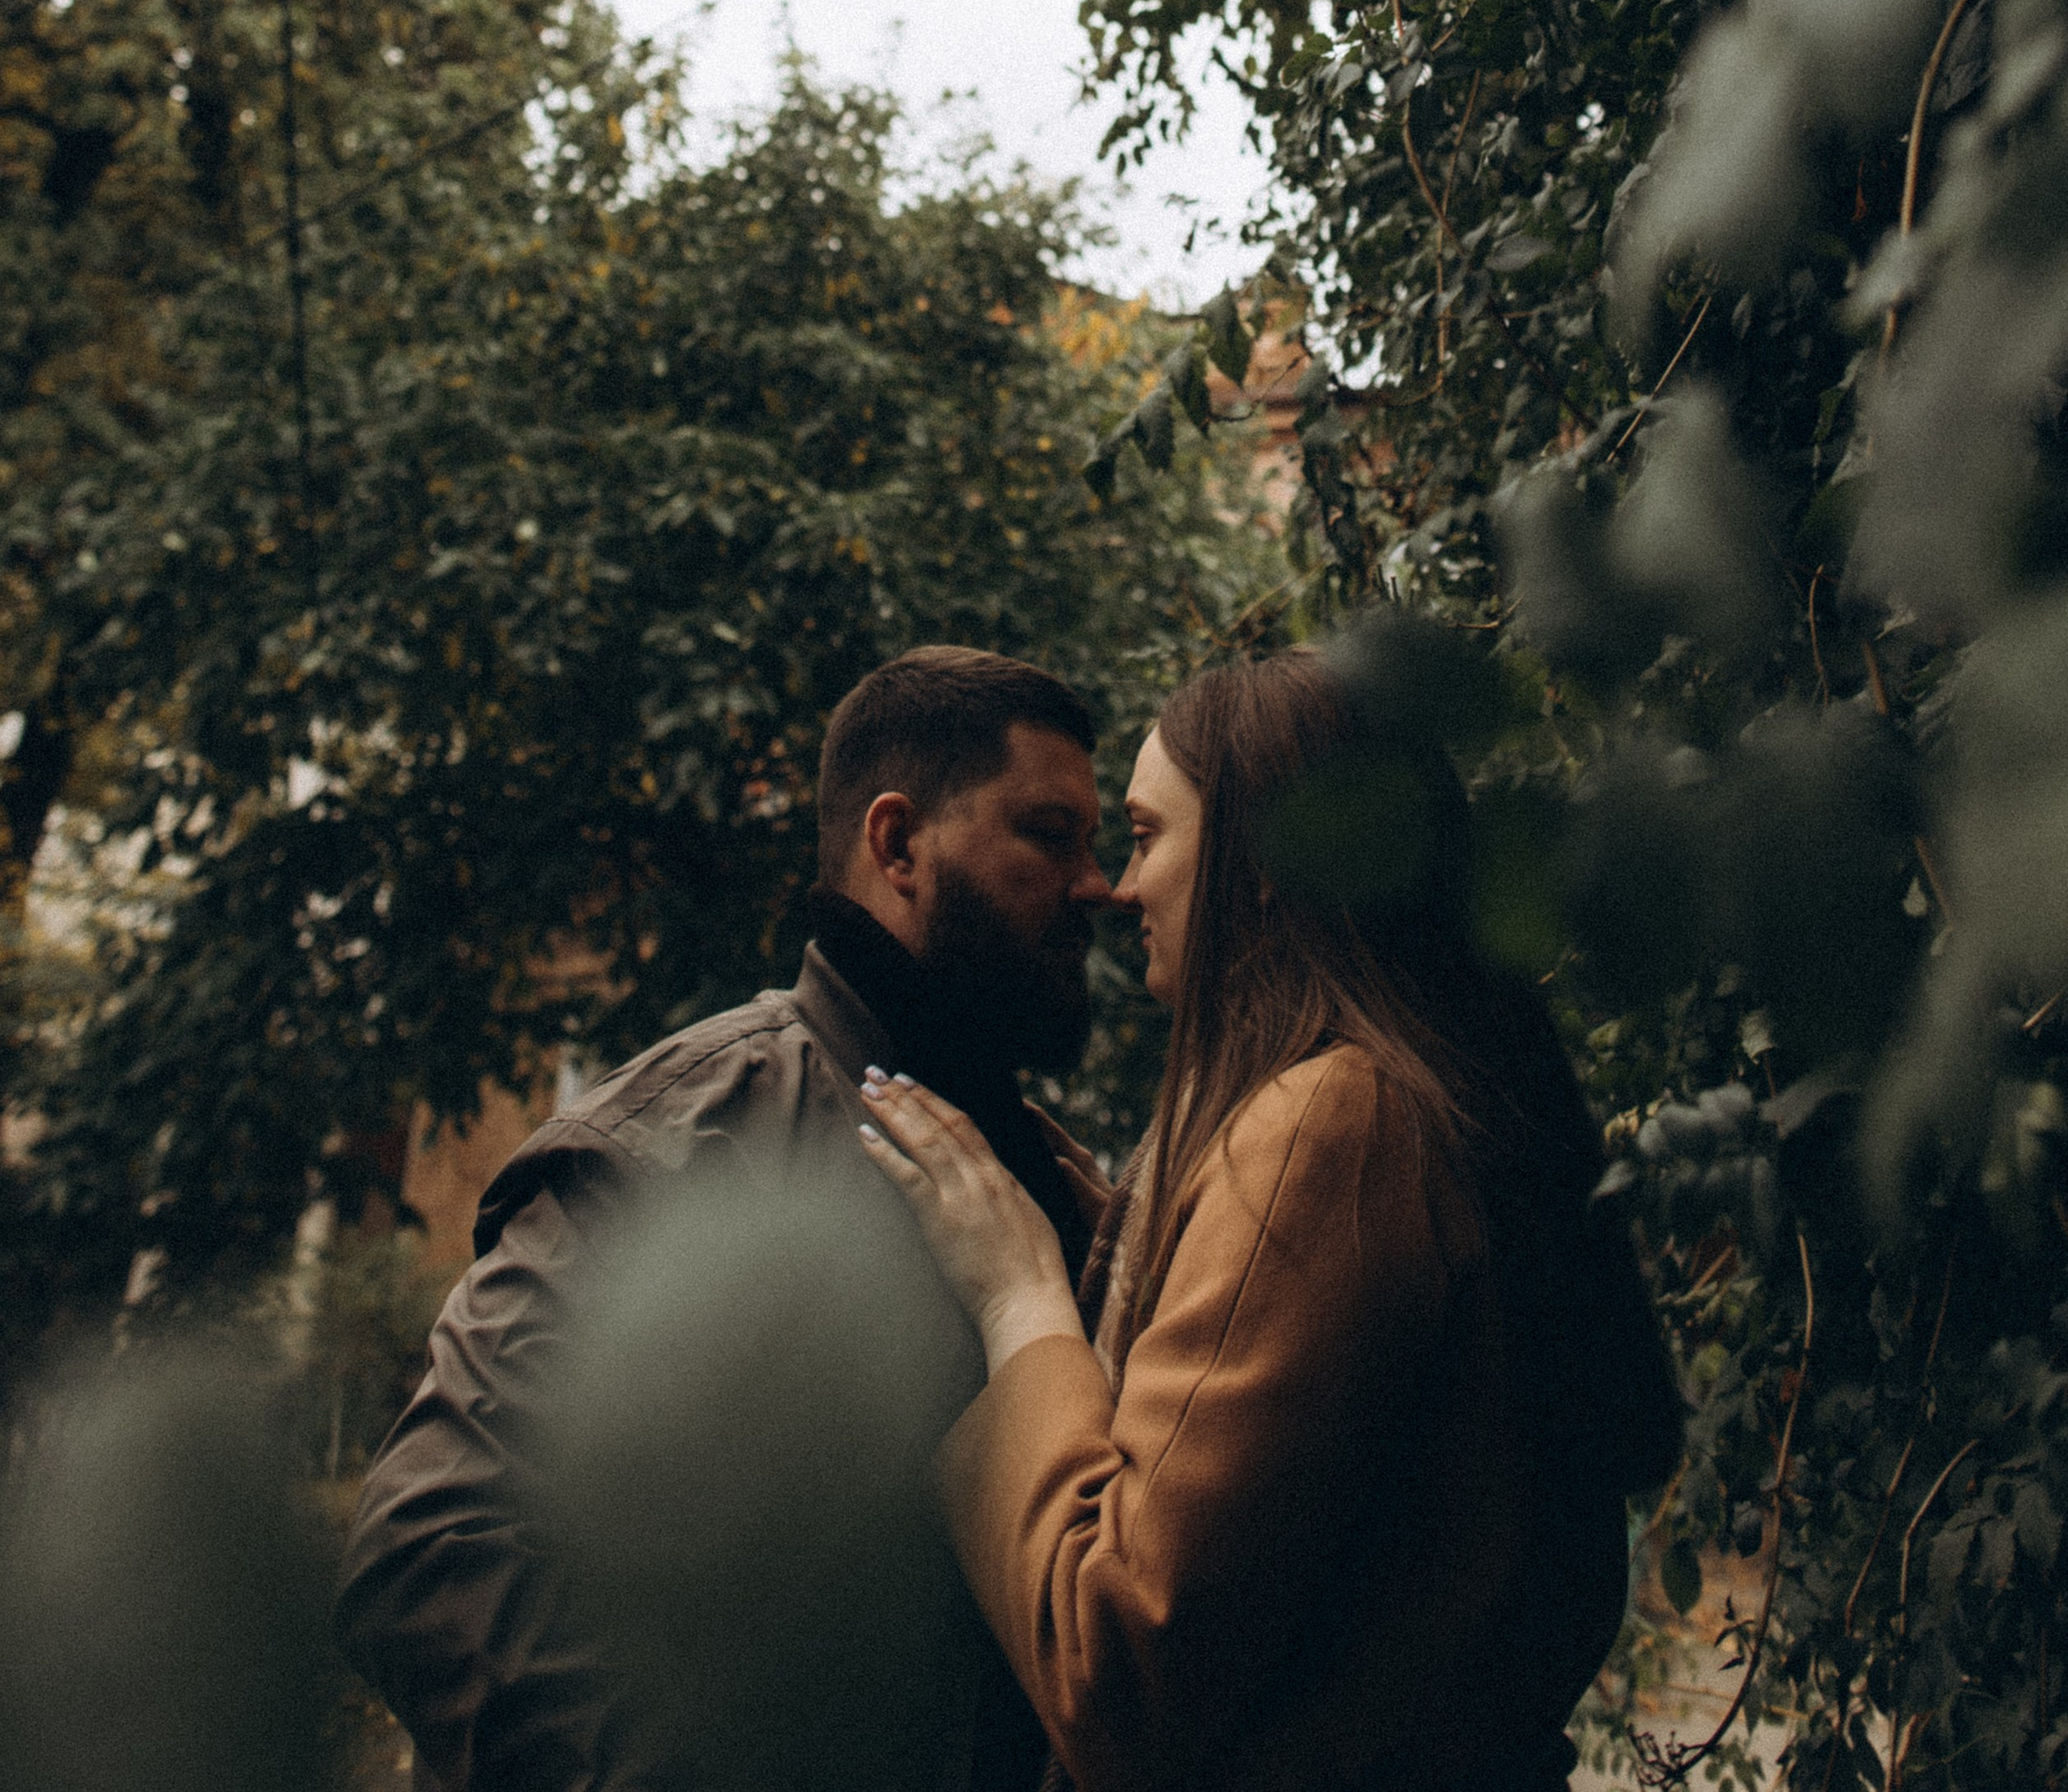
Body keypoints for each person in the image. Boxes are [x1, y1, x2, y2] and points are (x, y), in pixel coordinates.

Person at [858, 646, 1681, 1792]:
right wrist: (1146, 1241)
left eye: (1144, 835)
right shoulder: (1439, 1095)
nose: (1118, 888)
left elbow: (1117, 1668)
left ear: (1265, 859)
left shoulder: (1333, 1121)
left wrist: (1022, 1296)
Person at [338, 646, 1117, 1792]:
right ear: (898, 845)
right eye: (1050, 836)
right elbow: (432, 1547)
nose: (1098, 885)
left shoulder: (1056, 1182)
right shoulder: (679, 1135)